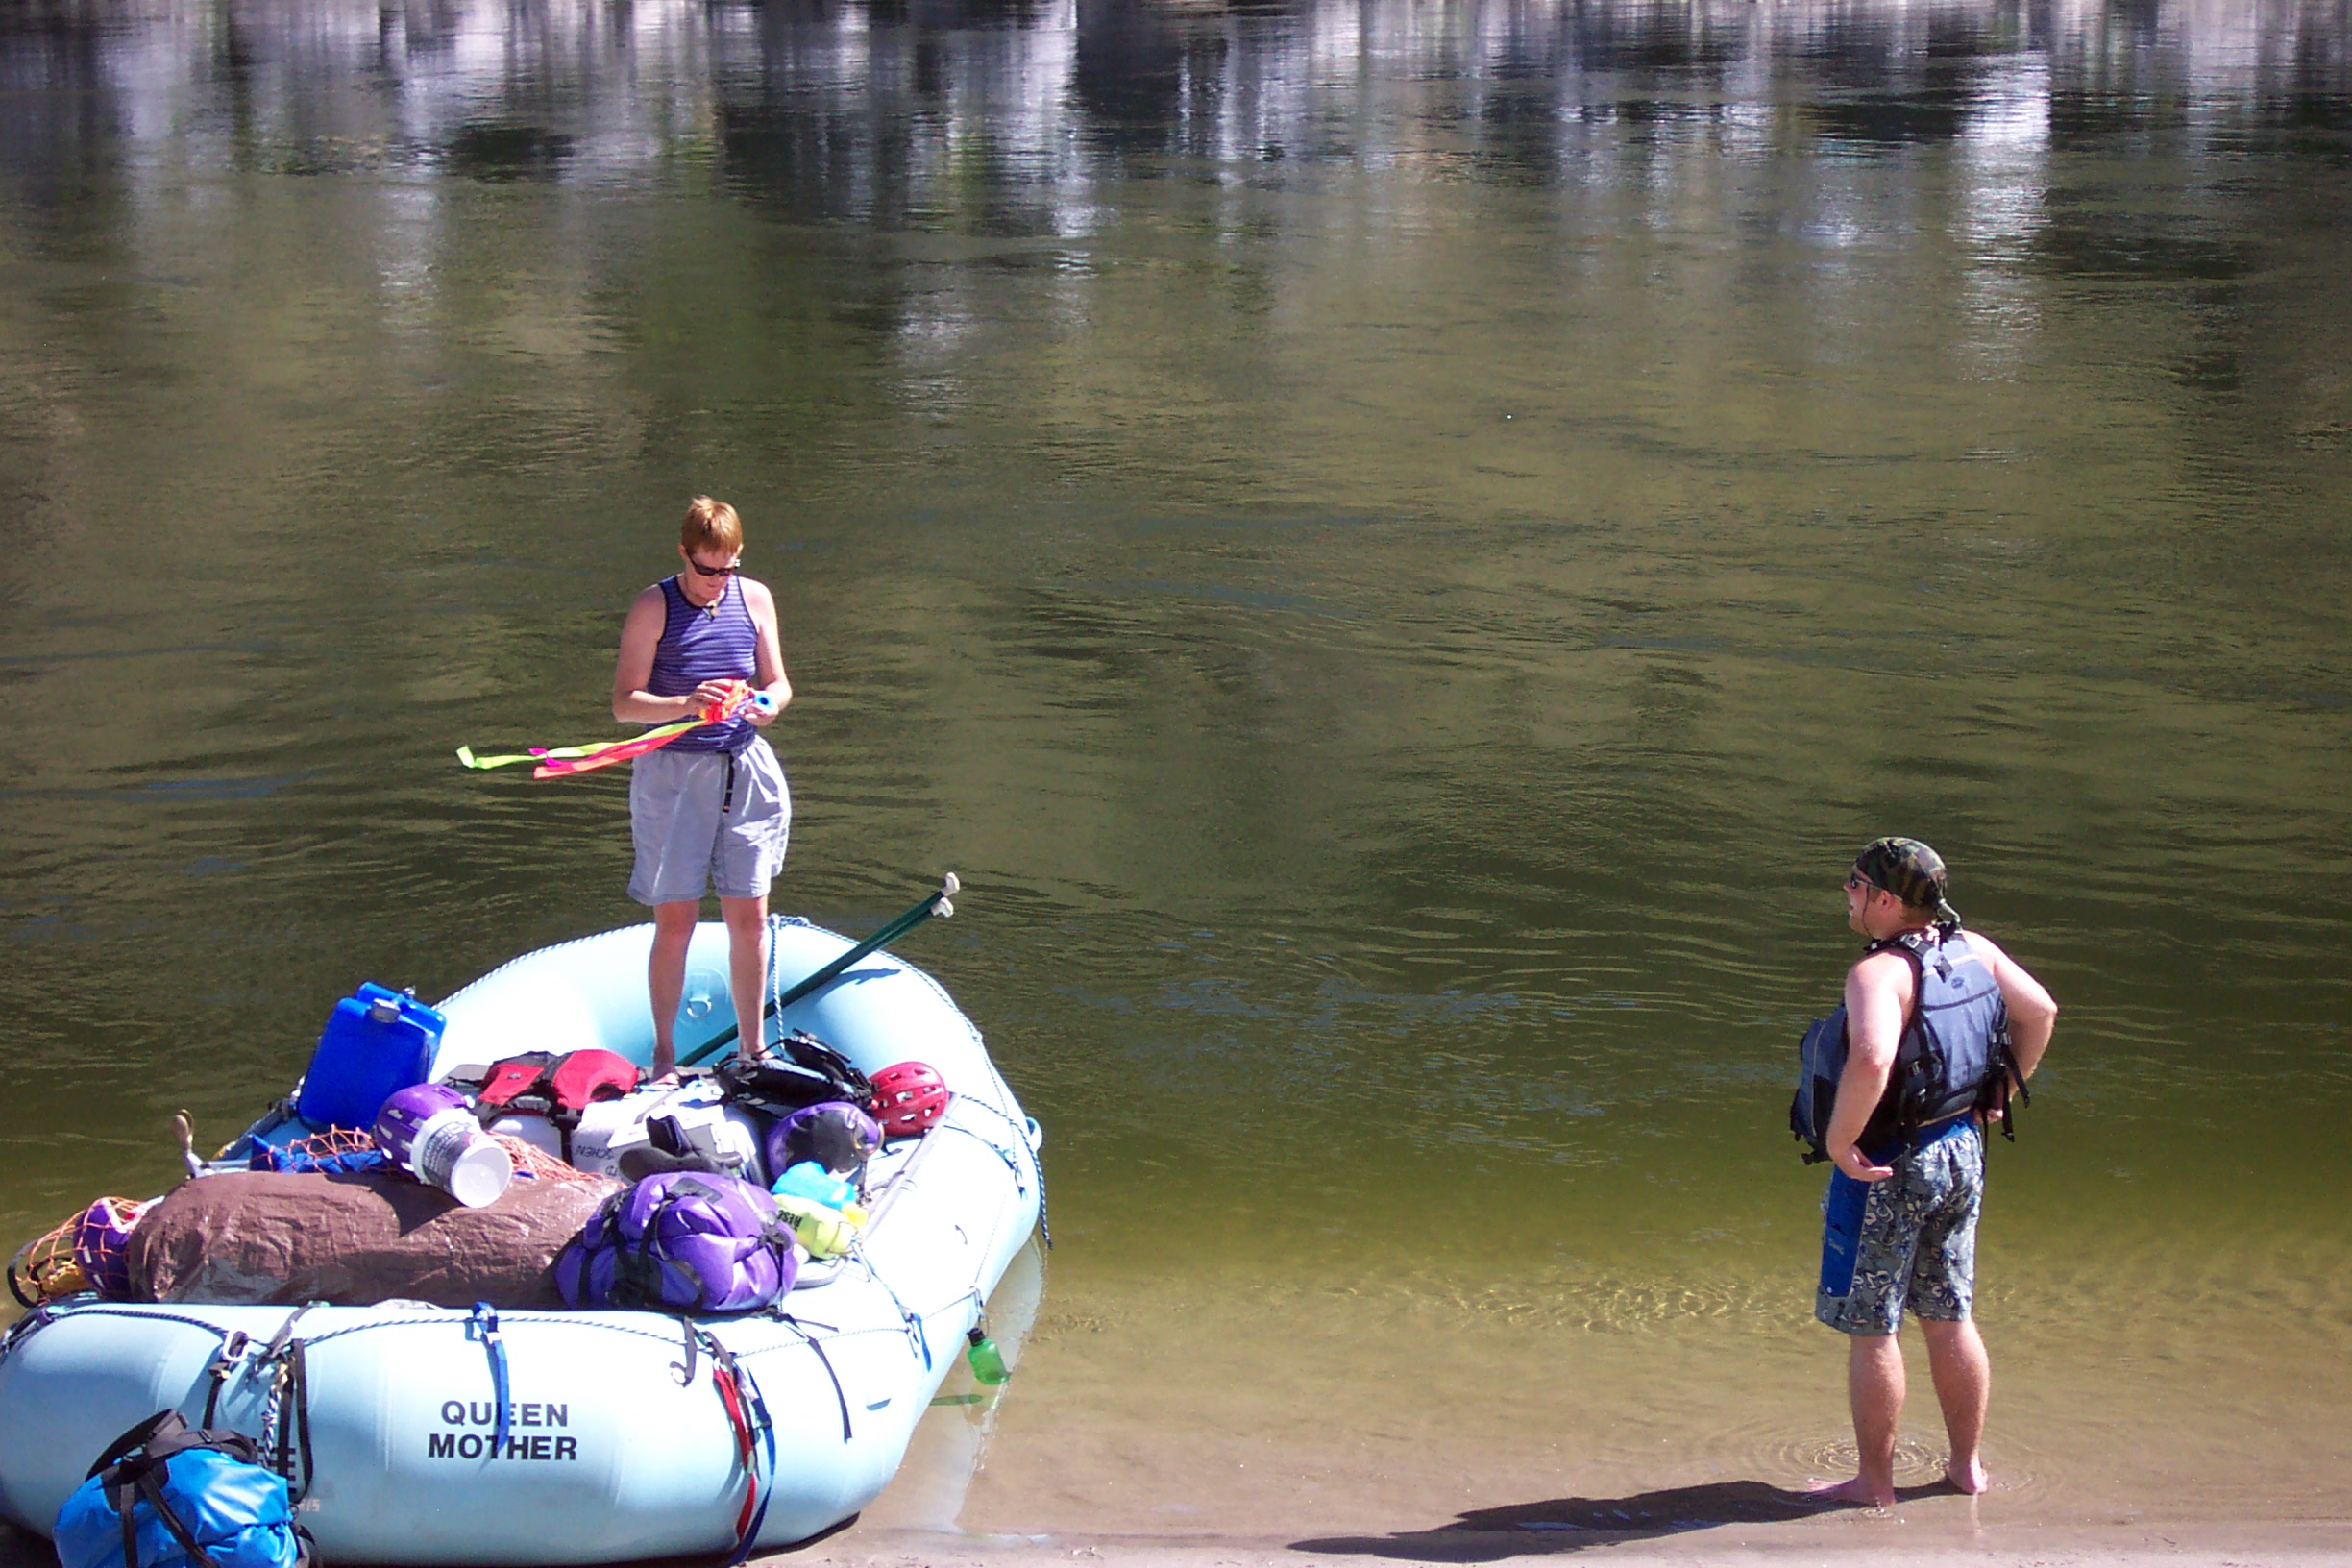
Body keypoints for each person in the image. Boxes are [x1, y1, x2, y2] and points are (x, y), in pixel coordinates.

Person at [1811, 837, 2057, 1507]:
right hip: (1961, 1150)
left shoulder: (1878, 974)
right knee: (1950, 1315)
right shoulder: (1973, 949)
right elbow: (2041, 1012)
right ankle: (1965, 1470)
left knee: (1873, 1325)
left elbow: (1869, 1058)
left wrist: (1839, 1141)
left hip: (1889, 1162)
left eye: (1856, 883)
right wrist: (2004, 1094)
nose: (1848, 892)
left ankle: (1874, 1485)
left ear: (1887, 900)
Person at [611, 497, 793, 1079]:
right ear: (683, 553)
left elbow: (780, 684)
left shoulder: (755, 597)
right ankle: (664, 1055)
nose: (717, 581)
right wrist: (685, 703)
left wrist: (765, 704)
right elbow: (623, 705)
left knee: (751, 917)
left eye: (727, 568)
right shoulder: (652, 606)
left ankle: (752, 1049)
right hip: (672, 776)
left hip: (743, 767)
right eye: (705, 569)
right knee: (678, 920)